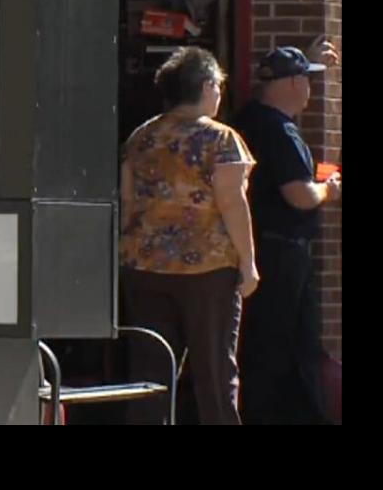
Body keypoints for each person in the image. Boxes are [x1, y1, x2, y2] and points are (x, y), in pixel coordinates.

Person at [120, 46, 258, 425]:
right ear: (207, 86)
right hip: (208, 270)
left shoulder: (141, 138)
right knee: (215, 373)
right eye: (218, 86)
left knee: (150, 373)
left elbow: (127, 200)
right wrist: (248, 263)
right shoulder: (221, 139)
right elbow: (231, 202)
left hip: (143, 265)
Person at [232, 42, 341, 425]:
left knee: (274, 342)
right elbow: (299, 194)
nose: (310, 89)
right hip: (281, 253)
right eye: (307, 80)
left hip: (258, 247)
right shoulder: (279, 129)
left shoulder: (248, 118)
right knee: (282, 346)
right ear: (294, 83)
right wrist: (330, 188)